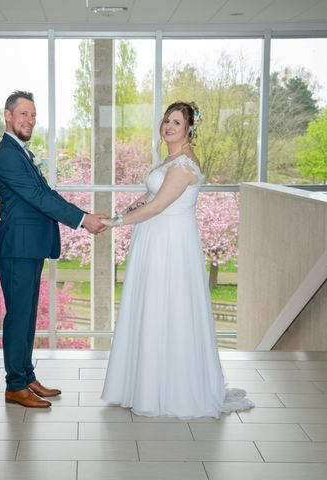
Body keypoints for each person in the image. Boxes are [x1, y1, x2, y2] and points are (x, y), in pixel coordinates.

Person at [101, 101, 254, 419]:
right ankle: (144, 383)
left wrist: (115, 224)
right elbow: (148, 198)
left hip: (171, 244)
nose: (168, 126)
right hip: (154, 240)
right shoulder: (169, 159)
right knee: (152, 307)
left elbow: (158, 207)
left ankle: (171, 389)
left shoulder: (184, 165)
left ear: (189, 129)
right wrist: (117, 214)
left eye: (176, 122)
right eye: (166, 121)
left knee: (169, 308)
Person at [0, 91, 107, 408]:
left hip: (28, 247)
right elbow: (38, 199)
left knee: (26, 315)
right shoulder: (7, 154)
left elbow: (47, 193)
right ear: (8, 115)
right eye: (23, 114)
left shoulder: (20, 152)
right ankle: (15, 385)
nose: (29, 120)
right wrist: (82, 220)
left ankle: (26, 377)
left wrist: (83, 214)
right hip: (17, 247)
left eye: (33, 115)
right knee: (18, 317)